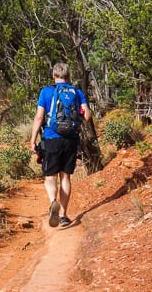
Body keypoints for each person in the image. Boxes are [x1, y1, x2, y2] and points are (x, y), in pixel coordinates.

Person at [29, 62, 91, 228]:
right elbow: (87, 116)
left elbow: (39, 118)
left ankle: (53, 201)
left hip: (51, 138)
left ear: (53, 76)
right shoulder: (77, 92)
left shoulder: (46, 91)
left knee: (50, 176)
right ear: (68, 76)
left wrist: (32, 139)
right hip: (70, 139)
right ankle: (63, 215)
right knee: (65, 176)